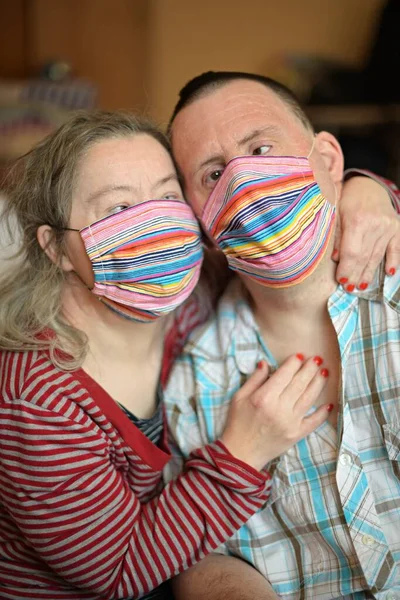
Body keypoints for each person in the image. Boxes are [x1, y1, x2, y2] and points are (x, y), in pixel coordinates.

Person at [0, 111, 397, 600]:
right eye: (118, 207)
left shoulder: (194, 289)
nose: (154, 224)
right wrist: (243, 452)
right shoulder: (33, 396)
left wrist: (368, 191)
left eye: (167, 197)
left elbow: (278, 236)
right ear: (56, 248)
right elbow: (118, 573)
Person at [164, 71, 400, 600]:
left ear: (329, 162)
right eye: (213, 173)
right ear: (198, 221)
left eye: (261, 147)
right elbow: (201, 559)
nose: (245, 184)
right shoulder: (192, 385)